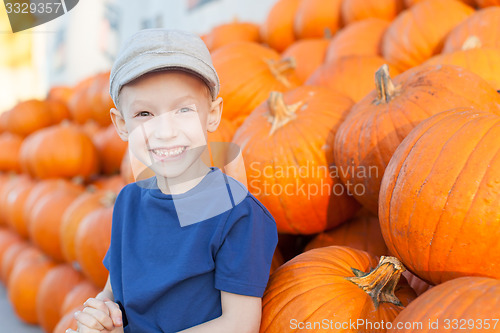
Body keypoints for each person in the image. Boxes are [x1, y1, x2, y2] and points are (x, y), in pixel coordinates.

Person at [67, 29, 278, 333]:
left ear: (213, 114)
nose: (165, 131)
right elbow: (113, 292)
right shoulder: (128, 202)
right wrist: (100, 314)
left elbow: (239, 324)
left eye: (183, 110)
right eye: (144, 113)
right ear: (122, 125)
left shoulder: (238, 214)